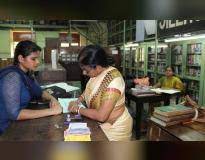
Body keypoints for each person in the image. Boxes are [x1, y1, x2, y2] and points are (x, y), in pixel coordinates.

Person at [68, 45, 133, 141]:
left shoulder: (113, 82)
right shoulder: (96, 73)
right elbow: (88, 91)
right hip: (100, 124)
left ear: (98, 67)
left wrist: (78, 109)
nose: (84, 73)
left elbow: (101, 116)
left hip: (114, 128)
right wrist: (78, 100)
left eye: (86, 70)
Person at [0, 40, 62, 135]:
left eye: (38, 59)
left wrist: (53, 99)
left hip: (18, 122)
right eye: (33, 59)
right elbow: (14, 114)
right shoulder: (12, 77)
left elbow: (40, 92)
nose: (37, 62)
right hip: (6, 128)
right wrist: (51, 111)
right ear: (21, 58)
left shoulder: (27, 73)